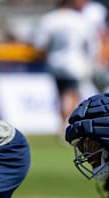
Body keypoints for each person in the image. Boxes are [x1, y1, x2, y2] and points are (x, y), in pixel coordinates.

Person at [33, 0, 97, 138]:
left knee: (62, 94)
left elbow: (39, 45)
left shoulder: (49, 19)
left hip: (55, 62)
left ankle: (64, 124)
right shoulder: (79, 19)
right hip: (75, 62)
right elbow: (91, 45)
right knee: (70, 94)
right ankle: (66, 125)